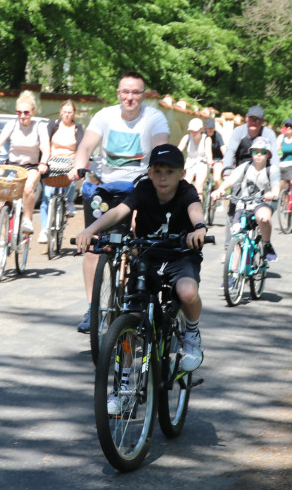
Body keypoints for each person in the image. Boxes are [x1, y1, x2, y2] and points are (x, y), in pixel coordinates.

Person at [75, 143, 207, 382]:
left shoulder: (186, 191)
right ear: (149, 172)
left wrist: (199, 228)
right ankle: (122, 384)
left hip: (180, 254)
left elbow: (195, 210)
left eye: (170, 171)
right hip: (147, 256)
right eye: (157, 171)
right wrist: (90, 229)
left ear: (182, 173)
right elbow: (119, 211)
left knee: (187, 291)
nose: (163, 177)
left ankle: (192, 334)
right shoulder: (144, 189)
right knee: (131, 317)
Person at [71, 71, 170, 333]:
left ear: (144, 95)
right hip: (107, 186)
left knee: (139, 240)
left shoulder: (153, 117)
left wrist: (160, 172)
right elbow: (85, 147)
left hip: (140, 185)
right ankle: (93, 308)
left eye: (136, 92)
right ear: (118, 93)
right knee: (94, 245)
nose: (130, 97)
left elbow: (160, 148)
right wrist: (79, 166)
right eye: (125, 91)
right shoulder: (105, 116)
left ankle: (134, 296)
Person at [0, 90, 49, 236]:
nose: (23, 116)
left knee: (28, 188)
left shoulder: (39, 126)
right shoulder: (12, 125)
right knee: (4, 200)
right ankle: (1, 240)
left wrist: (43, 162)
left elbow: (45, 146)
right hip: (12, 165)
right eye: (19, 113)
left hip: (31, 167)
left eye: (26, 112)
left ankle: (27, 220)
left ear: (33, 112)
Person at [212, 136, 282, 261]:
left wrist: (273, 193)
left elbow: (276, 184)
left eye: (263, 152)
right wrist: (220, 190)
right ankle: (232, 277)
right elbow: (230, 180)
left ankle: (266, 244)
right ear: (251, 153)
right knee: (237, 235)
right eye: (255, 151)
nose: (258, 154)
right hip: (244, 205)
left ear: (268, 155)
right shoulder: (244, 167)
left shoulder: (272, 169)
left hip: (263, 203)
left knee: (264, 218)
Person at [39, 99, 83, 243]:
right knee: (46, 195)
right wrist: (43, 162)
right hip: (52, 161)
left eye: (69, 112)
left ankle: (69, 202)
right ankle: (44, 230)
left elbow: (81, 146)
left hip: (70, 161)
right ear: (60, 112)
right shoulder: (53, 125)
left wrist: (79, 164)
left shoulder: (77, 127)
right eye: (64, 112)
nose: (66, 115)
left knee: (70, 182)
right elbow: (44, 143)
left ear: (74, 113)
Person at [177, 117, 212, 192]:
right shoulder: (187, 138)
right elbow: (178, 150)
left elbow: (209, 155)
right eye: (191, 131)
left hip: (202, 165)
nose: (193, 133)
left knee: (198, 186)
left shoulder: (206, 139)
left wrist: (210, 162)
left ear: (201, 130)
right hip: (189, 165)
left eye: (195, 131)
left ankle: (198, 203)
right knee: (184, 185)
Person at [204, 117, 225, 184]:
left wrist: (225, 157)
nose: (210, 130)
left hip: (217, 159)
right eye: (208, 128)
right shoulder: (203, 135)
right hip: (204, 160)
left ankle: (217, 192)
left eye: (212, 128)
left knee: (217, 179)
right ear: (206, 128)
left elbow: (223, 147)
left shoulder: (218, 135)